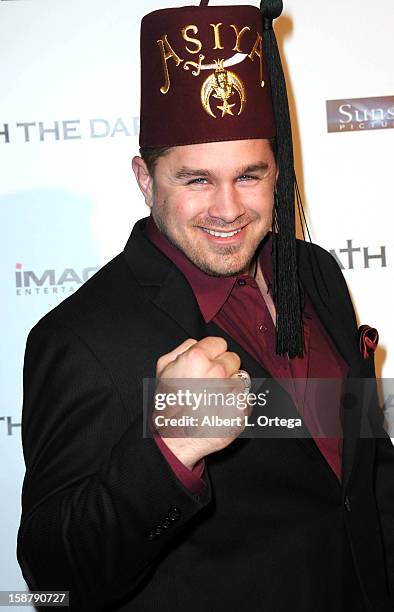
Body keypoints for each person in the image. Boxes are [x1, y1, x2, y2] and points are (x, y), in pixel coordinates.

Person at [17, 1, 394, 610]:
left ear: (280, 173)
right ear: (144, 178)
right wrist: (169, 450)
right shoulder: (82, 337)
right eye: (195, 180)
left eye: (250, 175)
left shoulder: (315, 273)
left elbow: (363, 475)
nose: (228, 209)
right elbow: (52, 577)